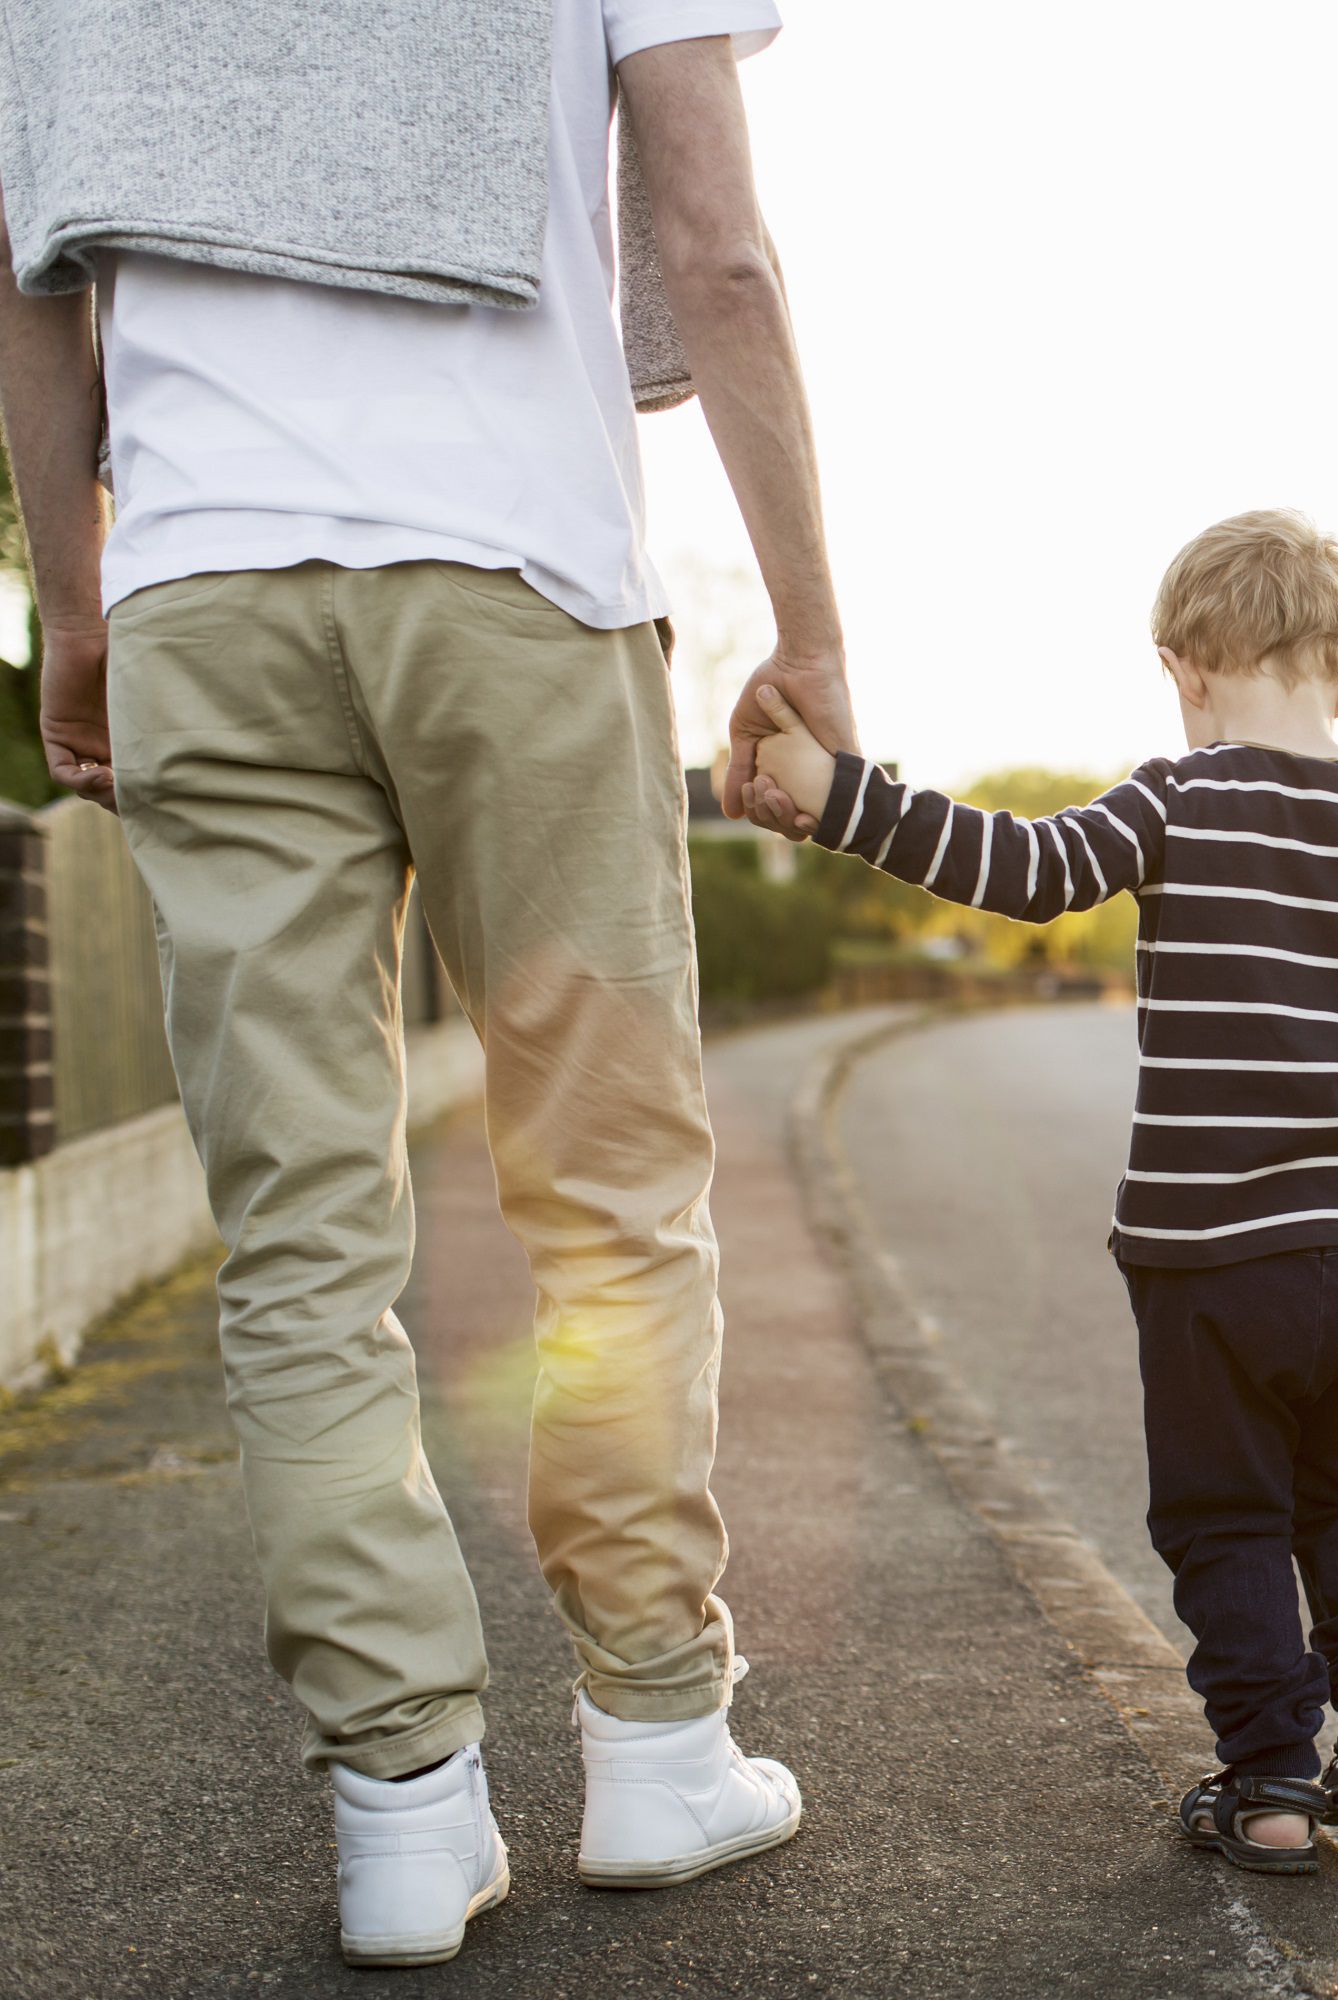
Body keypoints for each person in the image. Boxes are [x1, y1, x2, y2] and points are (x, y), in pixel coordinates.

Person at [0, 0, 852, 1968]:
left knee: (302, 1235)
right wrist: (809, 629)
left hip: (203, 595)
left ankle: (398, 1805)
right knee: (614, 1202)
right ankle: (655, 1738)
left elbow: (31, 268)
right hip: (520, 583)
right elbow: (719, 250)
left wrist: (72, 603)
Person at [742, 509, 1338, 1873]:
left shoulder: (1179, 796)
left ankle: (1268, 1779)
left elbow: (1020, 871)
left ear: (1182, 667)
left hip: (1212, 1251)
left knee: (1226, 1510)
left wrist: (844, 794)